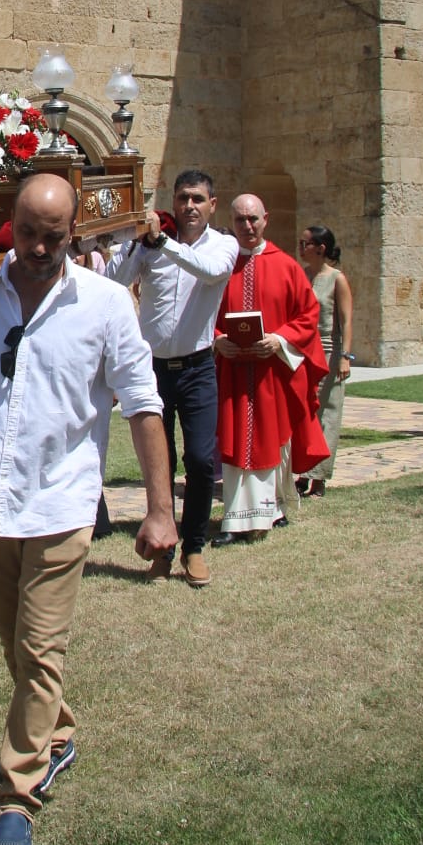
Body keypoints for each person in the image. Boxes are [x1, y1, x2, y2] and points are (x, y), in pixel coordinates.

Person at [0, 173, 176, 845]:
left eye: (53, 236)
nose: (37, 247)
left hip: (60, 505)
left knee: (41, 650)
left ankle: (16, 797)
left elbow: (143, 404)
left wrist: (160, 509)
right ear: (11, 224)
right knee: (20, 653)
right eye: (27, 232)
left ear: (75, 232)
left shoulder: (109, 305)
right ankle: (57, 734)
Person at [110, 170, 238, 586]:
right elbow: (114, 285)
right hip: (154, 371)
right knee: (159, 464)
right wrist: (136, 243)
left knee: (201, 461)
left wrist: (163, 242)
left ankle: (194, 547)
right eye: (183, 198)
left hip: (199, 368)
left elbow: (210, 272)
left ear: (212, 204)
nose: (189, 207)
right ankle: (162, 548)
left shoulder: (224, 245)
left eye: (198, 199)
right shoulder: (152, 245)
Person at [213, 194, 329, 544]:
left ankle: (272, 510)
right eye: (239, 221)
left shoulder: (287, 267)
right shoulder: (221, 265)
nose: (247, 227)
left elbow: (308, 315)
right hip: (233, 372)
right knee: (237, 439)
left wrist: (280, 340)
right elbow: (200, 314)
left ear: (267, 219)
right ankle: (236, 519)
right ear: (230, 221)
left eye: (253, 219)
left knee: (272, 440)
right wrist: (218, 339)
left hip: (272, 373)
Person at [296, 225, 354, 496]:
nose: (301, 247)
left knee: (327, 413)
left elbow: (346, 320)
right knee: (306, 413)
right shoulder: (301, 274)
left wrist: (345, 357)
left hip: (329, 351)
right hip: (302, 351)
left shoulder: (336, 278)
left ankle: (319, 477)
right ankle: (304, 471)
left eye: (305, 243)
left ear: (320, 248)